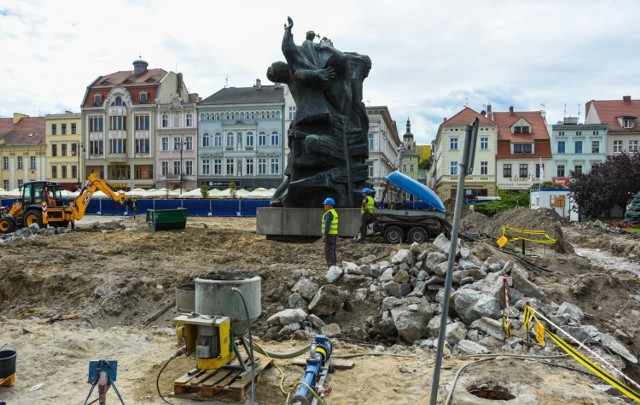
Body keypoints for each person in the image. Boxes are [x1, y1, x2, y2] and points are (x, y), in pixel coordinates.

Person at [321, 197, 338, 268]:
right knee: (332, 250)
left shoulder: (329, 214)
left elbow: (327, 225)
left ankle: (331, 265)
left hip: (329, 234)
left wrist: (324, 235)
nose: (324, 206)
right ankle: (333, 265)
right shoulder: (334, 212)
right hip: (334, 234)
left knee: (328, 251)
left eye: (325, 204)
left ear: (329, 205)